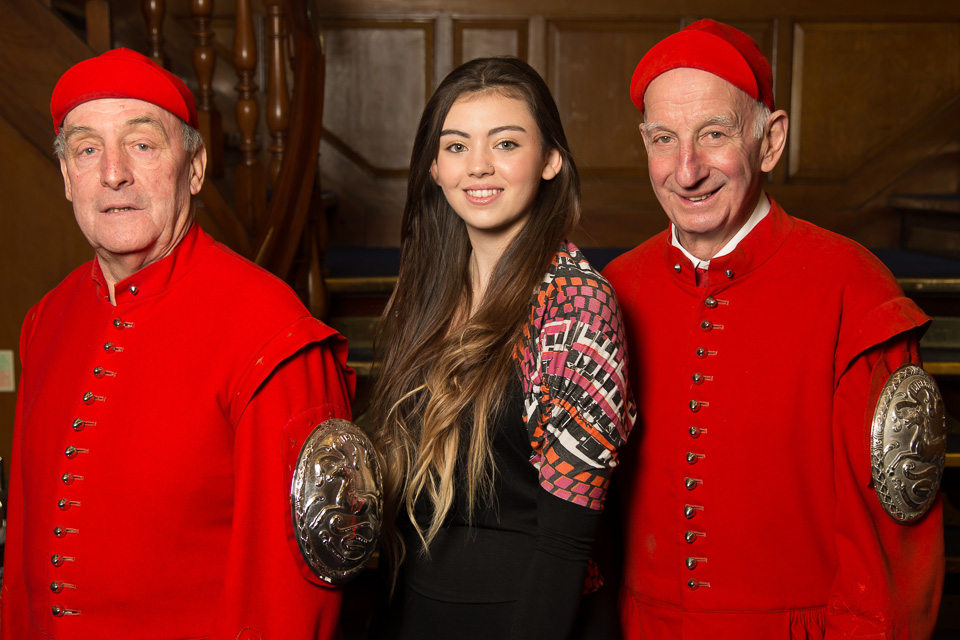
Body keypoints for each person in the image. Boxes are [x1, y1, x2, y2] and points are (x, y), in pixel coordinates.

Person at [602, 19, 946, 639]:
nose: (686, 170)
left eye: (713, 134)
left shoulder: (856, 291)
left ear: (770, 140)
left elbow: (892, 549)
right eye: (663, 139)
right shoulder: (612, 289)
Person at [1, 48, 359, 639]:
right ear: (68, 178)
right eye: (88, 150)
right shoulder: (45, 318)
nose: (113, 172)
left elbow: (289, 601)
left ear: (193, 168)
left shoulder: (272, 332)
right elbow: (23, 566)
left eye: (142, 144)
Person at [369, 56, 636, 639]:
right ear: (435, 168)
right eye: (457, 146)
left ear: (550, 161)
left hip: (529, 616)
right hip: (418, 611)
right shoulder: (426, 293)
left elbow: (566, 542)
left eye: (506, 142)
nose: (479, 166)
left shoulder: (575, 306)